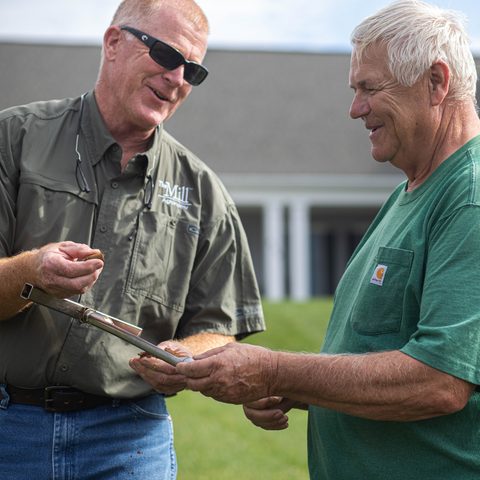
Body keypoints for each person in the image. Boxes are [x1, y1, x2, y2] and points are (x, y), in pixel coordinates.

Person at [177, 1, 480, 478]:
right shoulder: (409, 193)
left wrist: (276, 370)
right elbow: (374, 353)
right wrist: (304, 387)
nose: (355, 108)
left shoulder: (469, 198)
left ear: (436, 83)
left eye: (369, 87)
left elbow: (439, 380)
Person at [0, 0, 265, 478]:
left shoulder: (205, 193)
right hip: (8, 428)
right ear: (113, 44)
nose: (178, 78)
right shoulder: (14, 138)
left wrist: (188, 354)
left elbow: (219, 328)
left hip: (129, 439)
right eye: (166, 55)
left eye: (193, 70)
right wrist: (30, 270)